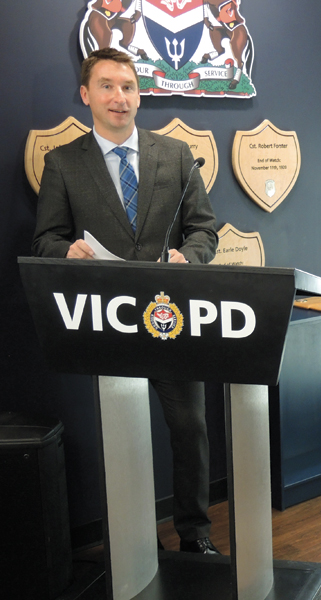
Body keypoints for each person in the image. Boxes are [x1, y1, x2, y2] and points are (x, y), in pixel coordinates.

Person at [32, 47, 219, 554]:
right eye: (108, 86)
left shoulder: (176, 154)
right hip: (109, 325)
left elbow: (204, 228)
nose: (120, 97)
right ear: (86, 94)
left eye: (129, 86)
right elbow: (44, 240)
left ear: (140, 94)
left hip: (172, 317)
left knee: (191, 431)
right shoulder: (63, 163)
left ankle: (195, 536)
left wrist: (190, 257)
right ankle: (136, 537)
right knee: (126, 434)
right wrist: (65, 249)